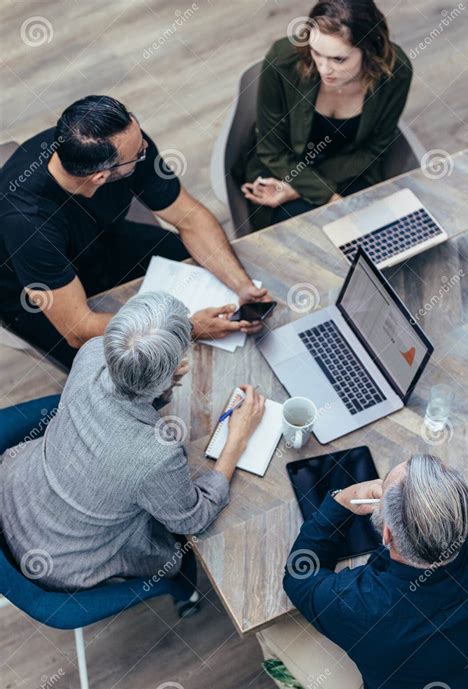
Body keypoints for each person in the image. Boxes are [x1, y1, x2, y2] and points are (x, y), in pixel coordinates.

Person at [0, 291, 265, 591]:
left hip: (14, 488)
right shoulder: (156, 456)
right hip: (64, 556)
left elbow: (129, 392)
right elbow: (193, 520)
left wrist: (162, 380)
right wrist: (236, 441)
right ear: (171, 371)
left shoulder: (91, 352)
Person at [0, 95, 269, 369]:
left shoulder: (115, 143)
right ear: (100, 177)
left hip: (101, 240)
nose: (145, 149)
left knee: (183, 256)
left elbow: (189, 218)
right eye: (138, 154)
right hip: (30, 290)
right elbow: (78, 329)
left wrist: (241, 285)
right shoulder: (27, 222)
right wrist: (186, 327)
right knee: (128, 372)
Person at [257, 455, 468, 689]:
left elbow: (300, 576)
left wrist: (342, 500)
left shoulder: (362, 608)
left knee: (271, 629)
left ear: (386, 533)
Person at [237, 0, 413, 229]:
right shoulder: (283, 62)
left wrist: (305, 189)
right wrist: (324, 194)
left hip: (351, 171)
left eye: (338, 59)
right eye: (316, 52)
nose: (324, 69)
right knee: (301, 236)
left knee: (378, 235)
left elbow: (375, 148)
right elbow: (272, 150)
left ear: (369, 51)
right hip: (284, 170)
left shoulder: (396, 72)